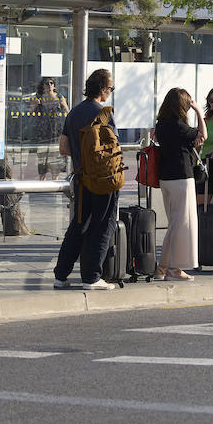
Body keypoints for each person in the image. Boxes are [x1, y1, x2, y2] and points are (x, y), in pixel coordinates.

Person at [54, 69, 122, 291]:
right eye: (110, 89)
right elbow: (114, 148)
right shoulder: (103, 113)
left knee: (78, 225)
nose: (110, 93)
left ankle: (61, 275)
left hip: (81, 178)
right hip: (103, 180)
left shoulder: (73, 113)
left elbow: (64, 148)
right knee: (103, 225)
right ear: (102, 89)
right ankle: (92, 277)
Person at [153, 88, 204, 281]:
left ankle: (164, 267)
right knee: (182, 224)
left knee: (175, 223)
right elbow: (202, 136)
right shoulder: (179, 125)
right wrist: (199, 111)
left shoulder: (161, 125)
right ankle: (171, 268)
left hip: (165, 178)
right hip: (182, 177)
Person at [30, 77, 69, 180]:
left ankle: (54, 179)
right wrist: (34, 105)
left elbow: (68, 112)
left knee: (55, 155)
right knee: (42, 156)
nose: (50, 85)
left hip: (56, 129)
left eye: (52, 83)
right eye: (47, 83)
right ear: (43, 86)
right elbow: (30, 113)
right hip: (43, 130)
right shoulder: (38, 97)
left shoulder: (60, 97)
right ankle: (42, 180)